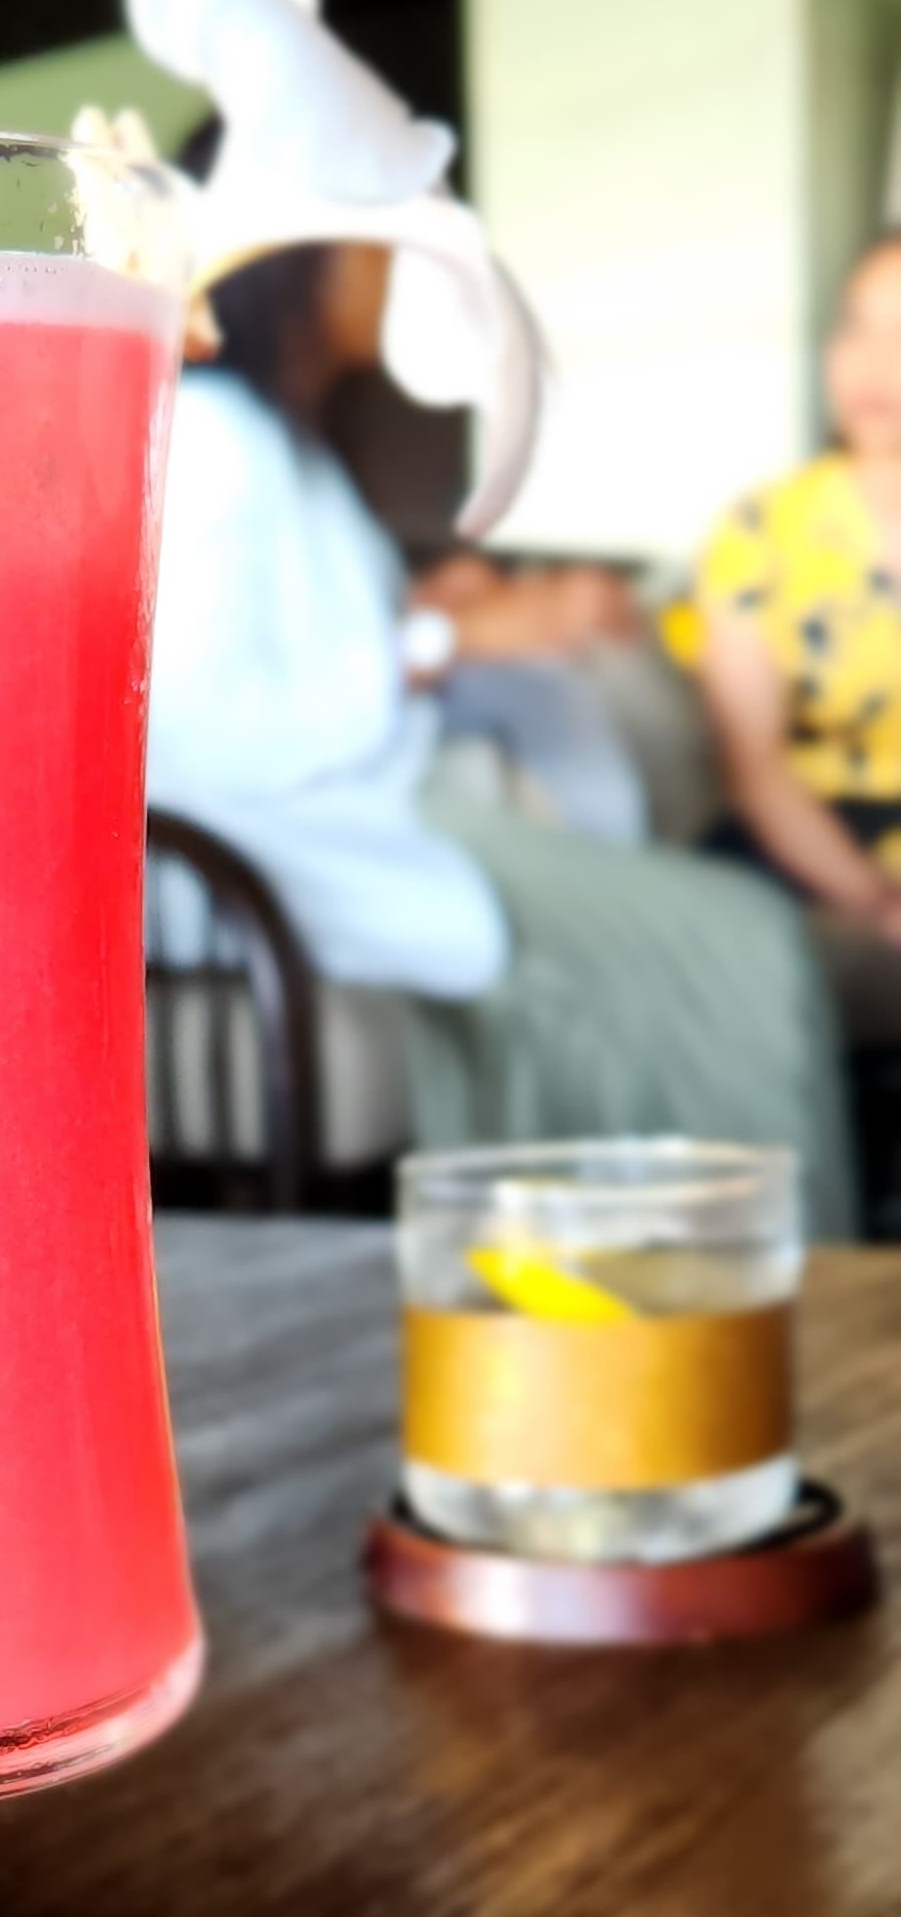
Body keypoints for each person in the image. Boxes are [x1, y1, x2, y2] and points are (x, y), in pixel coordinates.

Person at [148, 240, 857, 1228]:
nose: (397, 275)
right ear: (298, 262)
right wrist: (448, 638)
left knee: (742, 933)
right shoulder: (216, 440)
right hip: (309, 842)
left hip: (397, 800)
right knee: (751, 941)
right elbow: (207, 726)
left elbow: (307, 644)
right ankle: (769, 1267)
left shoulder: (284, 441)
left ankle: (695, 1252)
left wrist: (435, 606)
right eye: (375, 253)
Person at [696, 231, 901, 1037]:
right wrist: (878, 904)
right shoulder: (760, 529)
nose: (872, 363)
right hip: (807, 828)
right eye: (856, 327)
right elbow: (755, 767)